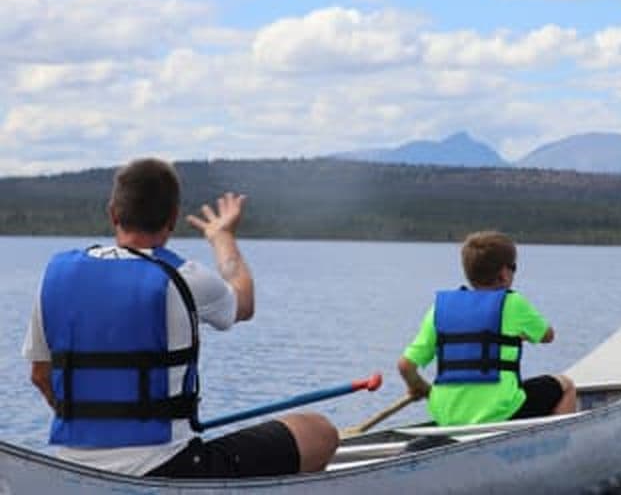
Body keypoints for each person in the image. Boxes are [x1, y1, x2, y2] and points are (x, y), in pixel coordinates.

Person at [21, 157, 338, 477]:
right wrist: (222, 235)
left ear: (113, 213)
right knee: (318, 431)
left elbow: (40, 375)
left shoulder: (56, 277)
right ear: (172, 217)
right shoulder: (183, 276)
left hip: (71, 469)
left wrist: (97, 432)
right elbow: (243, 301)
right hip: (168, 468)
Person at [397, 230, 576, 426]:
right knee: (565, 386)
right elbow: (548, 335)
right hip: (499, 411)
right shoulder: (513, 303)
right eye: (513, 267)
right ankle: (559, 447)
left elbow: (405, 366)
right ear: (503, 274)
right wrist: (519, 334)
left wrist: (420, 387)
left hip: (447, 416)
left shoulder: (439, 310)